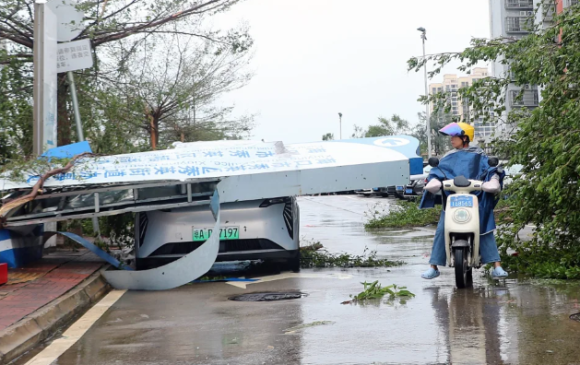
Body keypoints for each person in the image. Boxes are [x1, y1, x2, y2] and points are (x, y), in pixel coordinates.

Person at [420, 122, 508, 279]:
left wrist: (493, 180)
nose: (452, 140)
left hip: (477, 199)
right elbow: (437, 171)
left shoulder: (480, 156)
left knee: (485, 228)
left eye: (455, 136)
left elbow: (492, 171)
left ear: (465, 137)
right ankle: (433, 266)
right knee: (442, 229)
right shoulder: (448, 157)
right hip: (453, 199)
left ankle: (497, 265)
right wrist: (433, 181)